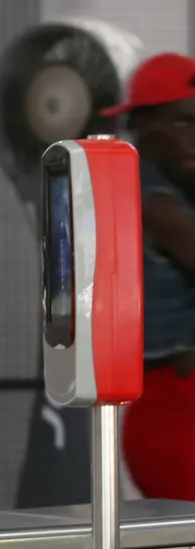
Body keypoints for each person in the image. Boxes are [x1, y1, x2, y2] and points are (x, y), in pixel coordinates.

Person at [105, 53, 195, 500]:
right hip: (177, 412)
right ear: (142, 126)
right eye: (182, 124)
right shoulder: (156, 201)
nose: (194, 138)